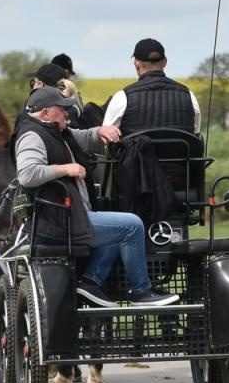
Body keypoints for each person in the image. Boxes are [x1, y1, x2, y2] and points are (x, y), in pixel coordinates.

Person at [13, 86, 178, 308]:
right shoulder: (32, 135)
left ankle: (91, 283)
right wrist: (65, 169)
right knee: (133, 225)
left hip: (66, 218)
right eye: (62, 109)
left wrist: (99, 131)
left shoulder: (55, 132)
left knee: (119, 229)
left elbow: (82, 138)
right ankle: (141, 292)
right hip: (59, 221)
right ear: (45, 113)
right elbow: (27, 174)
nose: (67, 114)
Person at [102, 38, 201, 133]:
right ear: (165, 62)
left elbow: (105, 136)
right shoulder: (189, 96)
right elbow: (196, 132)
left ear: (136, 64)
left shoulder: (123, 97)